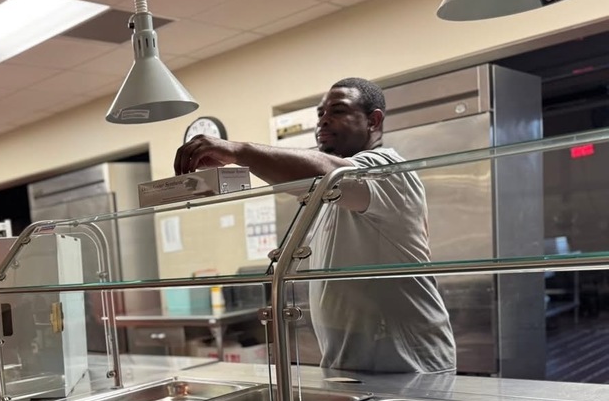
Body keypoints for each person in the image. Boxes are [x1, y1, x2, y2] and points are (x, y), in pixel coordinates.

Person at [175, 77, 456, 374]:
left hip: (410, 367)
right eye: (320, 114)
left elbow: (324, 171)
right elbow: (308, 179)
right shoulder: (332, 194)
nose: (323, 121)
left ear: (373, 121)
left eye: (337, 111)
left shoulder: (388, 169)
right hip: (351, 369)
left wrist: (238, 151)